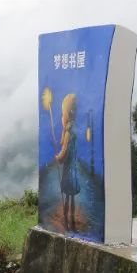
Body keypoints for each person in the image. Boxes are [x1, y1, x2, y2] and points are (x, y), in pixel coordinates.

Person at [55, 93, 81, 232]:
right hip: (74, 167)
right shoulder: (73, 127)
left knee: (68, 195)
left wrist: (58, 157)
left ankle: (67, 220)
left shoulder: (69, 129)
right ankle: (70, 220)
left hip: (69, 167)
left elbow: (64, 149)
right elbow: (64, 143)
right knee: (71, 197)